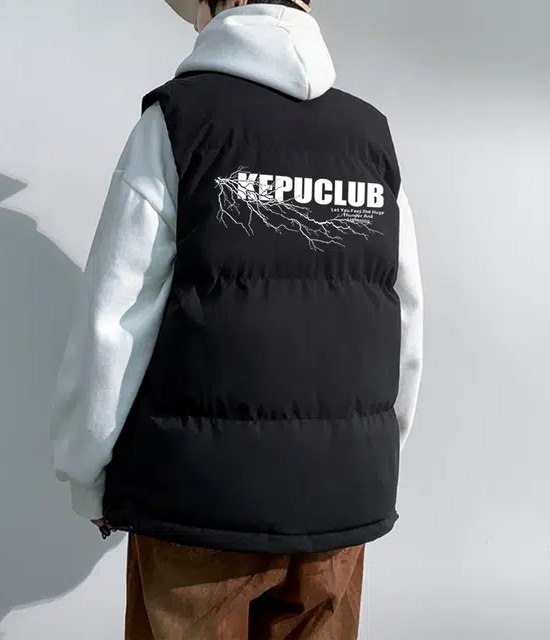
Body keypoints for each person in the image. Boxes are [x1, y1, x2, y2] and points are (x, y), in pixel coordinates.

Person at [49, 0, 424, 637]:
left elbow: (116, 317)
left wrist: (85, 471)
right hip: (340, 503)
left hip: (198, 512)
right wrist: (367, 454)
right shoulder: (369, 137)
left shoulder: (178, 122)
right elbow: (404, 319)